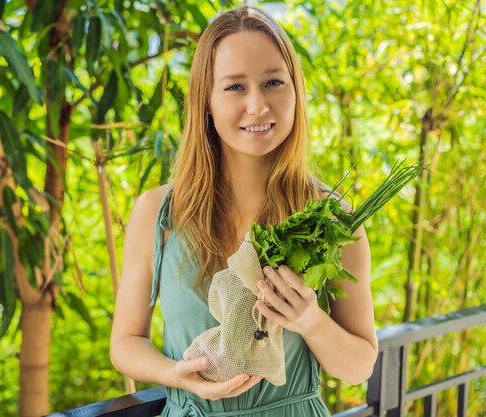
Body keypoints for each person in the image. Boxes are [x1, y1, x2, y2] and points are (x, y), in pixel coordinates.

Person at [110, 6, 377, 416]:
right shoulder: (156, 212)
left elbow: (359, 366)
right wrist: (175, 373)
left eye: (273, 82)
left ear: (295, 92)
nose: (257, 105)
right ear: (207, 101)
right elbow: (125, 342)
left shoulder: (332, 218)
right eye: (235, 87)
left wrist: (309, 320)